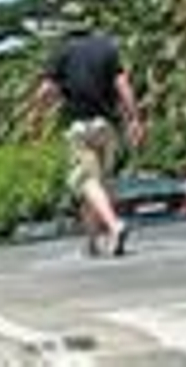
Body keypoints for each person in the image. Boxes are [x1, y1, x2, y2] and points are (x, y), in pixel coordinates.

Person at [33, 16, 146, 258]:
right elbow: (123, 86)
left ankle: (114, 225)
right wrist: (135, 119)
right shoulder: (107, 48)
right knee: (95, 186)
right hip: (106, 127)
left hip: (78, 127)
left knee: (84, 181)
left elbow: (45, 91)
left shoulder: (62, 52)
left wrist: (37, 117)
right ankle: (93, 243)